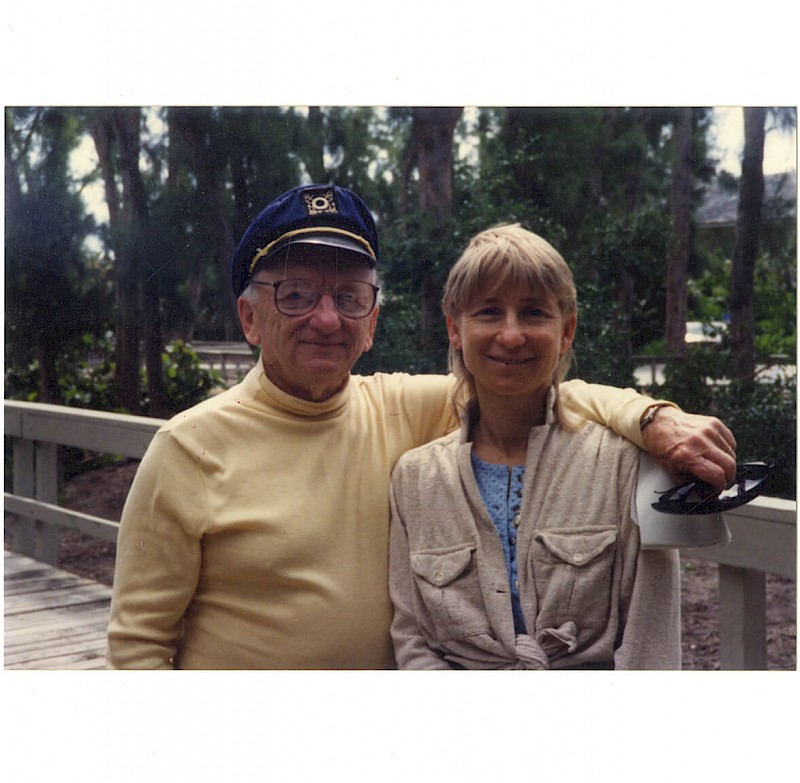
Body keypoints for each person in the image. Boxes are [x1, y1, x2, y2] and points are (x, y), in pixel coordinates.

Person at [106, 185, 736, 670]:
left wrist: (654, 417)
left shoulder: (402, 408)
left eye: (350, 297)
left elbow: (535, 382)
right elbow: (137, 647)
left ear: (372, 320)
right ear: (249, 317)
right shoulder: (188, 447)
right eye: (295, 294)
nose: (326, 318)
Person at [389, 223, 690, 669]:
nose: (511, 335)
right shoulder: (414, 478)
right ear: (455, 329)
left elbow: (651, 645)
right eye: (489, 311)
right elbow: (412, 640)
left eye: (533, 313)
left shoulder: (623, 465)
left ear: (566, 331)